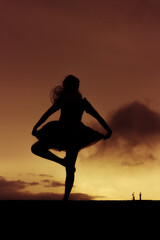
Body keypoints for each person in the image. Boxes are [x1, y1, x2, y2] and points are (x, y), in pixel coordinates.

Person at [31, 75, 112, 200]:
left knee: (70, 168)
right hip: (62, 132)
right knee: (36, 149)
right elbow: (47, 113)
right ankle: (62, 162)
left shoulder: (82, 102)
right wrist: (35, 126)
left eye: (77, 85)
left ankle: (66, 198)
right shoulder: (63, 100)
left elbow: (97, 116)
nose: (77, 87)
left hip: (75, 134)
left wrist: (108, 130)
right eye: (75, 85)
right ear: (69, 86)